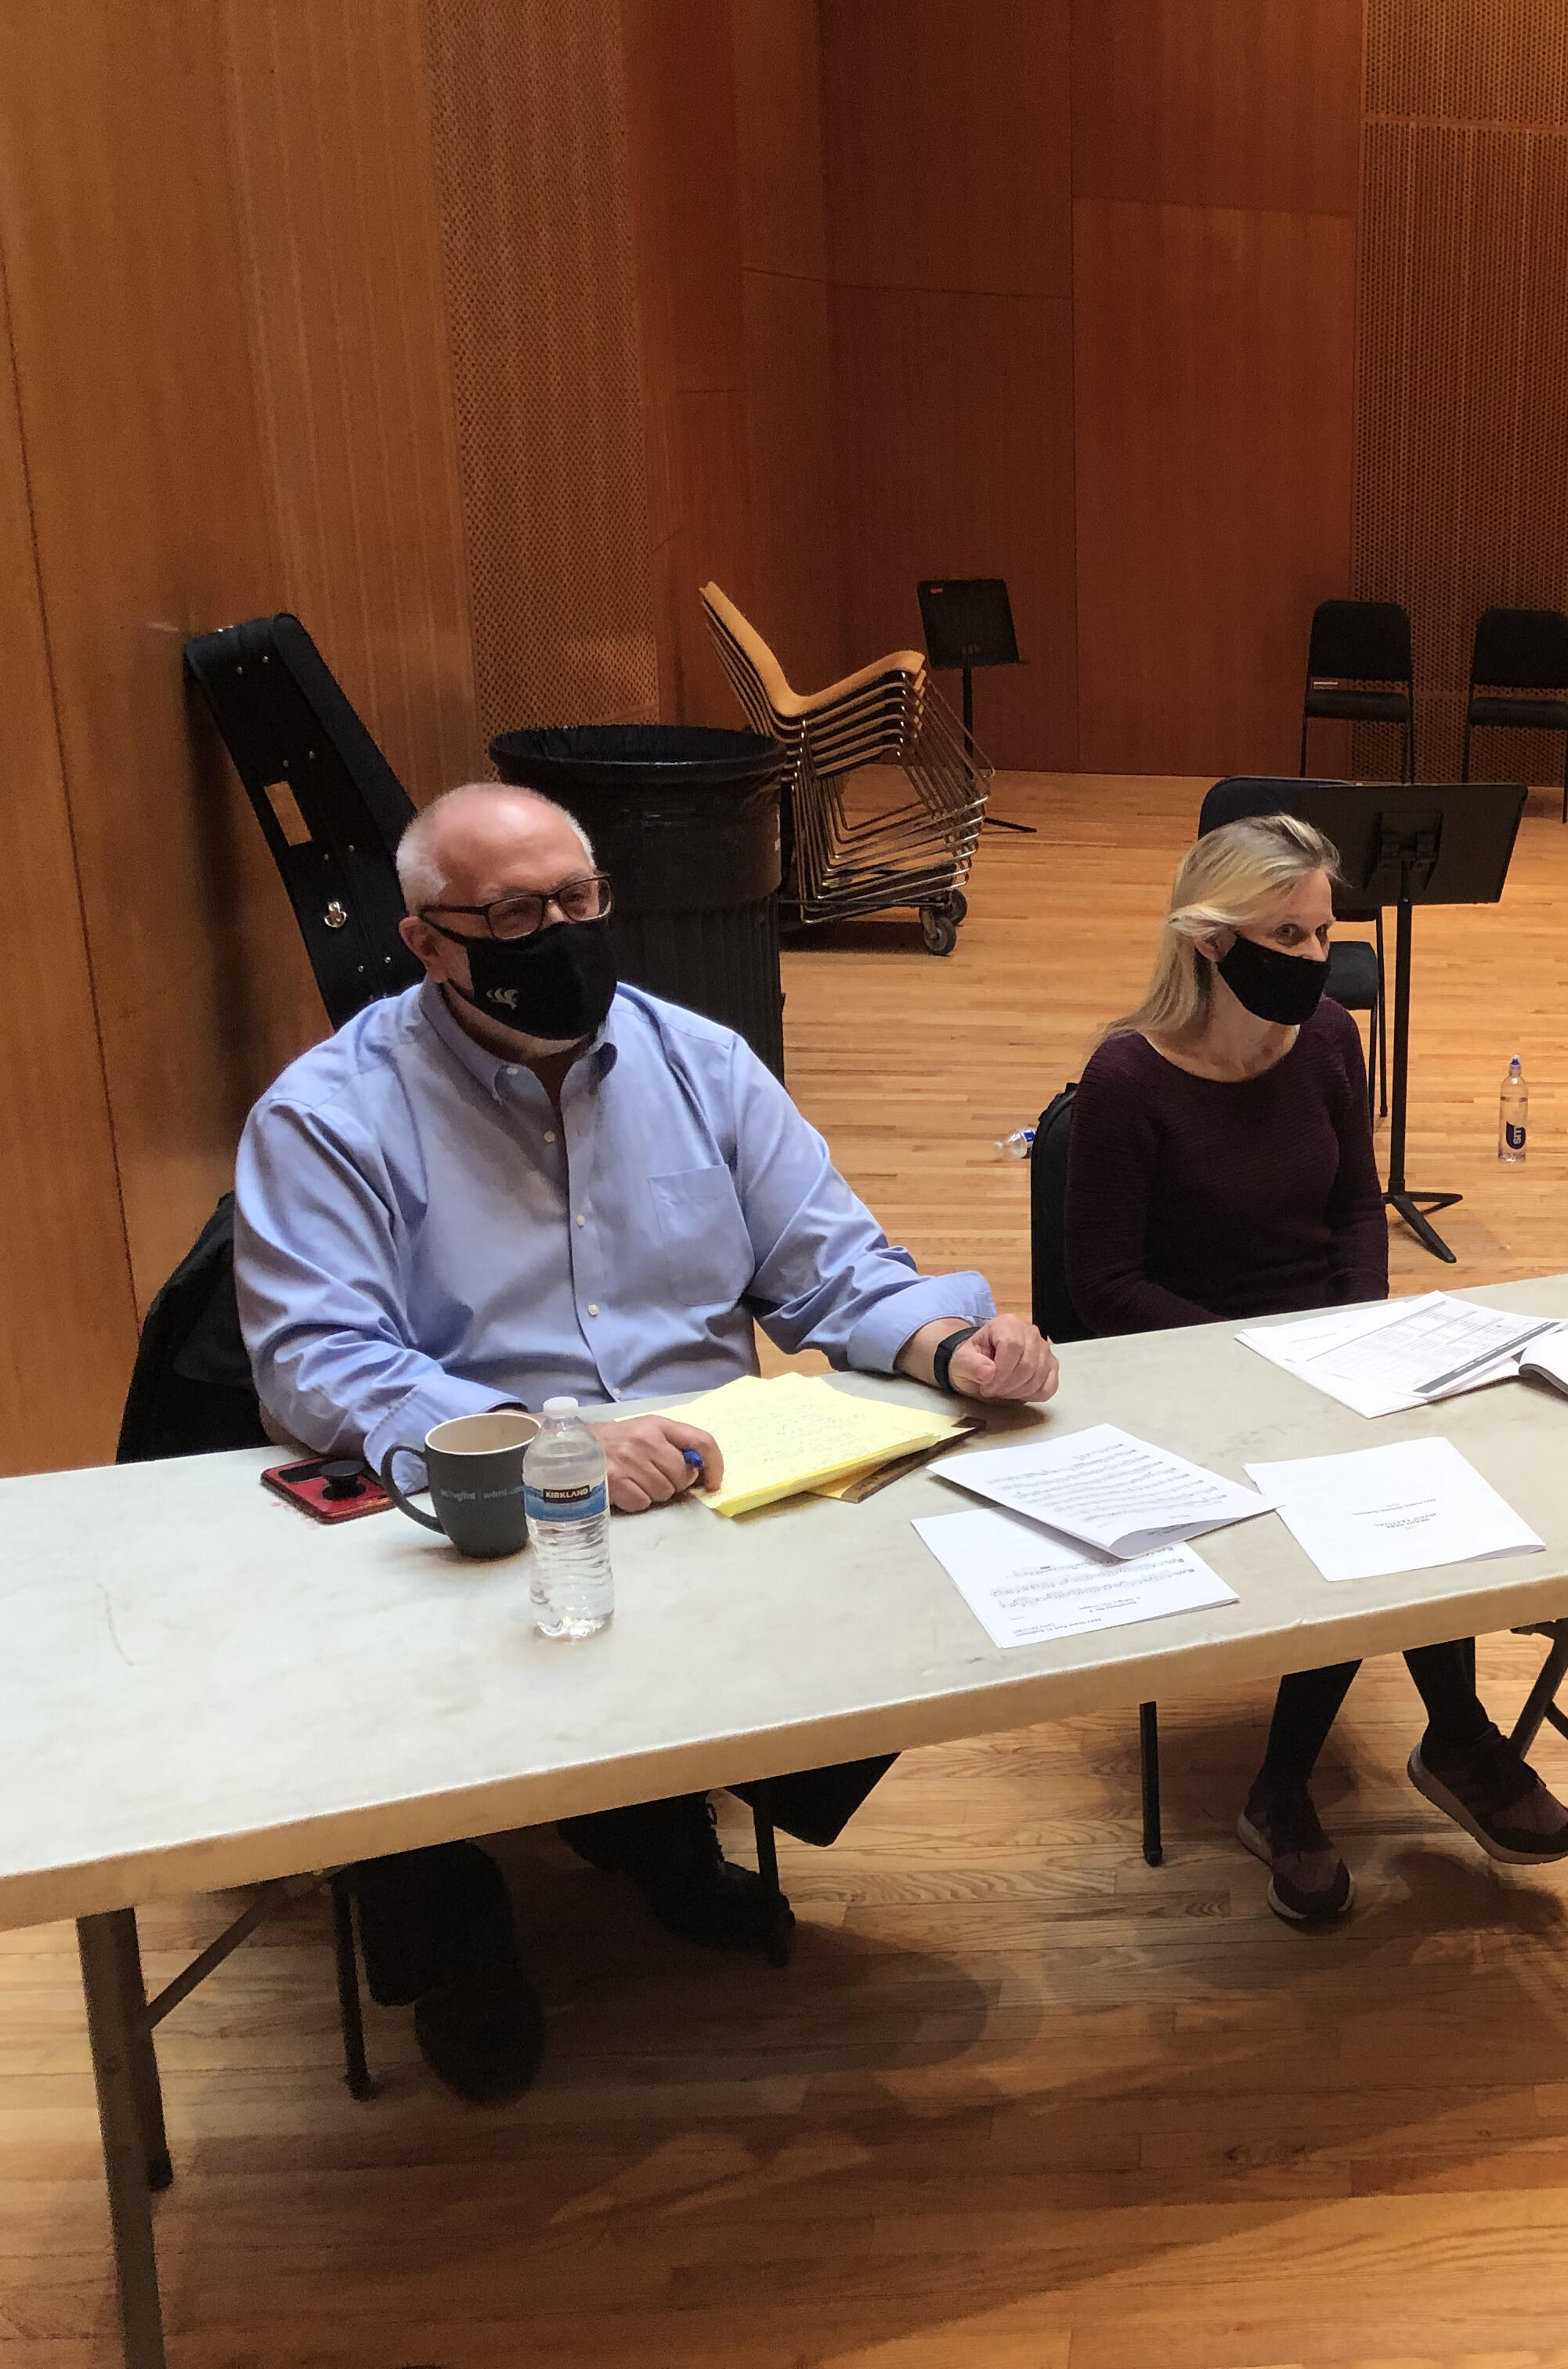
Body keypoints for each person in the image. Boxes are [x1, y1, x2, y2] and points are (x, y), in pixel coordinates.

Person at [236, 782, 1058, 2102]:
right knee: (387, 1666)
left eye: (578, 899)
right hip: (478, 1499)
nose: (558, 931)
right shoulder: (328, 1112)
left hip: (701, 1486)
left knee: (921, 1576)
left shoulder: (700, 1063)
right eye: (512, 911)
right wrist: (548, 1442)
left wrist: (947, 1342)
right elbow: (316, 1362)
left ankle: (650, 1809)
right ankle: (453, 1936)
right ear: (428, 940)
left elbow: (831, 1266)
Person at [1066, 812, 1568, 1925]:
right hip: (1192, 1365)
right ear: (1211, 942)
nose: (1317, 959)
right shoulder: (1126, 1080)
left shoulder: (1329, 1042)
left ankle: (1397, 1754)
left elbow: (1357, 1202)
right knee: (1357, 1505)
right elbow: (1102, 1288)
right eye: (1289, 937)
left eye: (1321, 932)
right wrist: (1263, 1363)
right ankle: (1357, 1768)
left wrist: (1357, 1335)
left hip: (1325, 1350)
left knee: (1418, 1481)